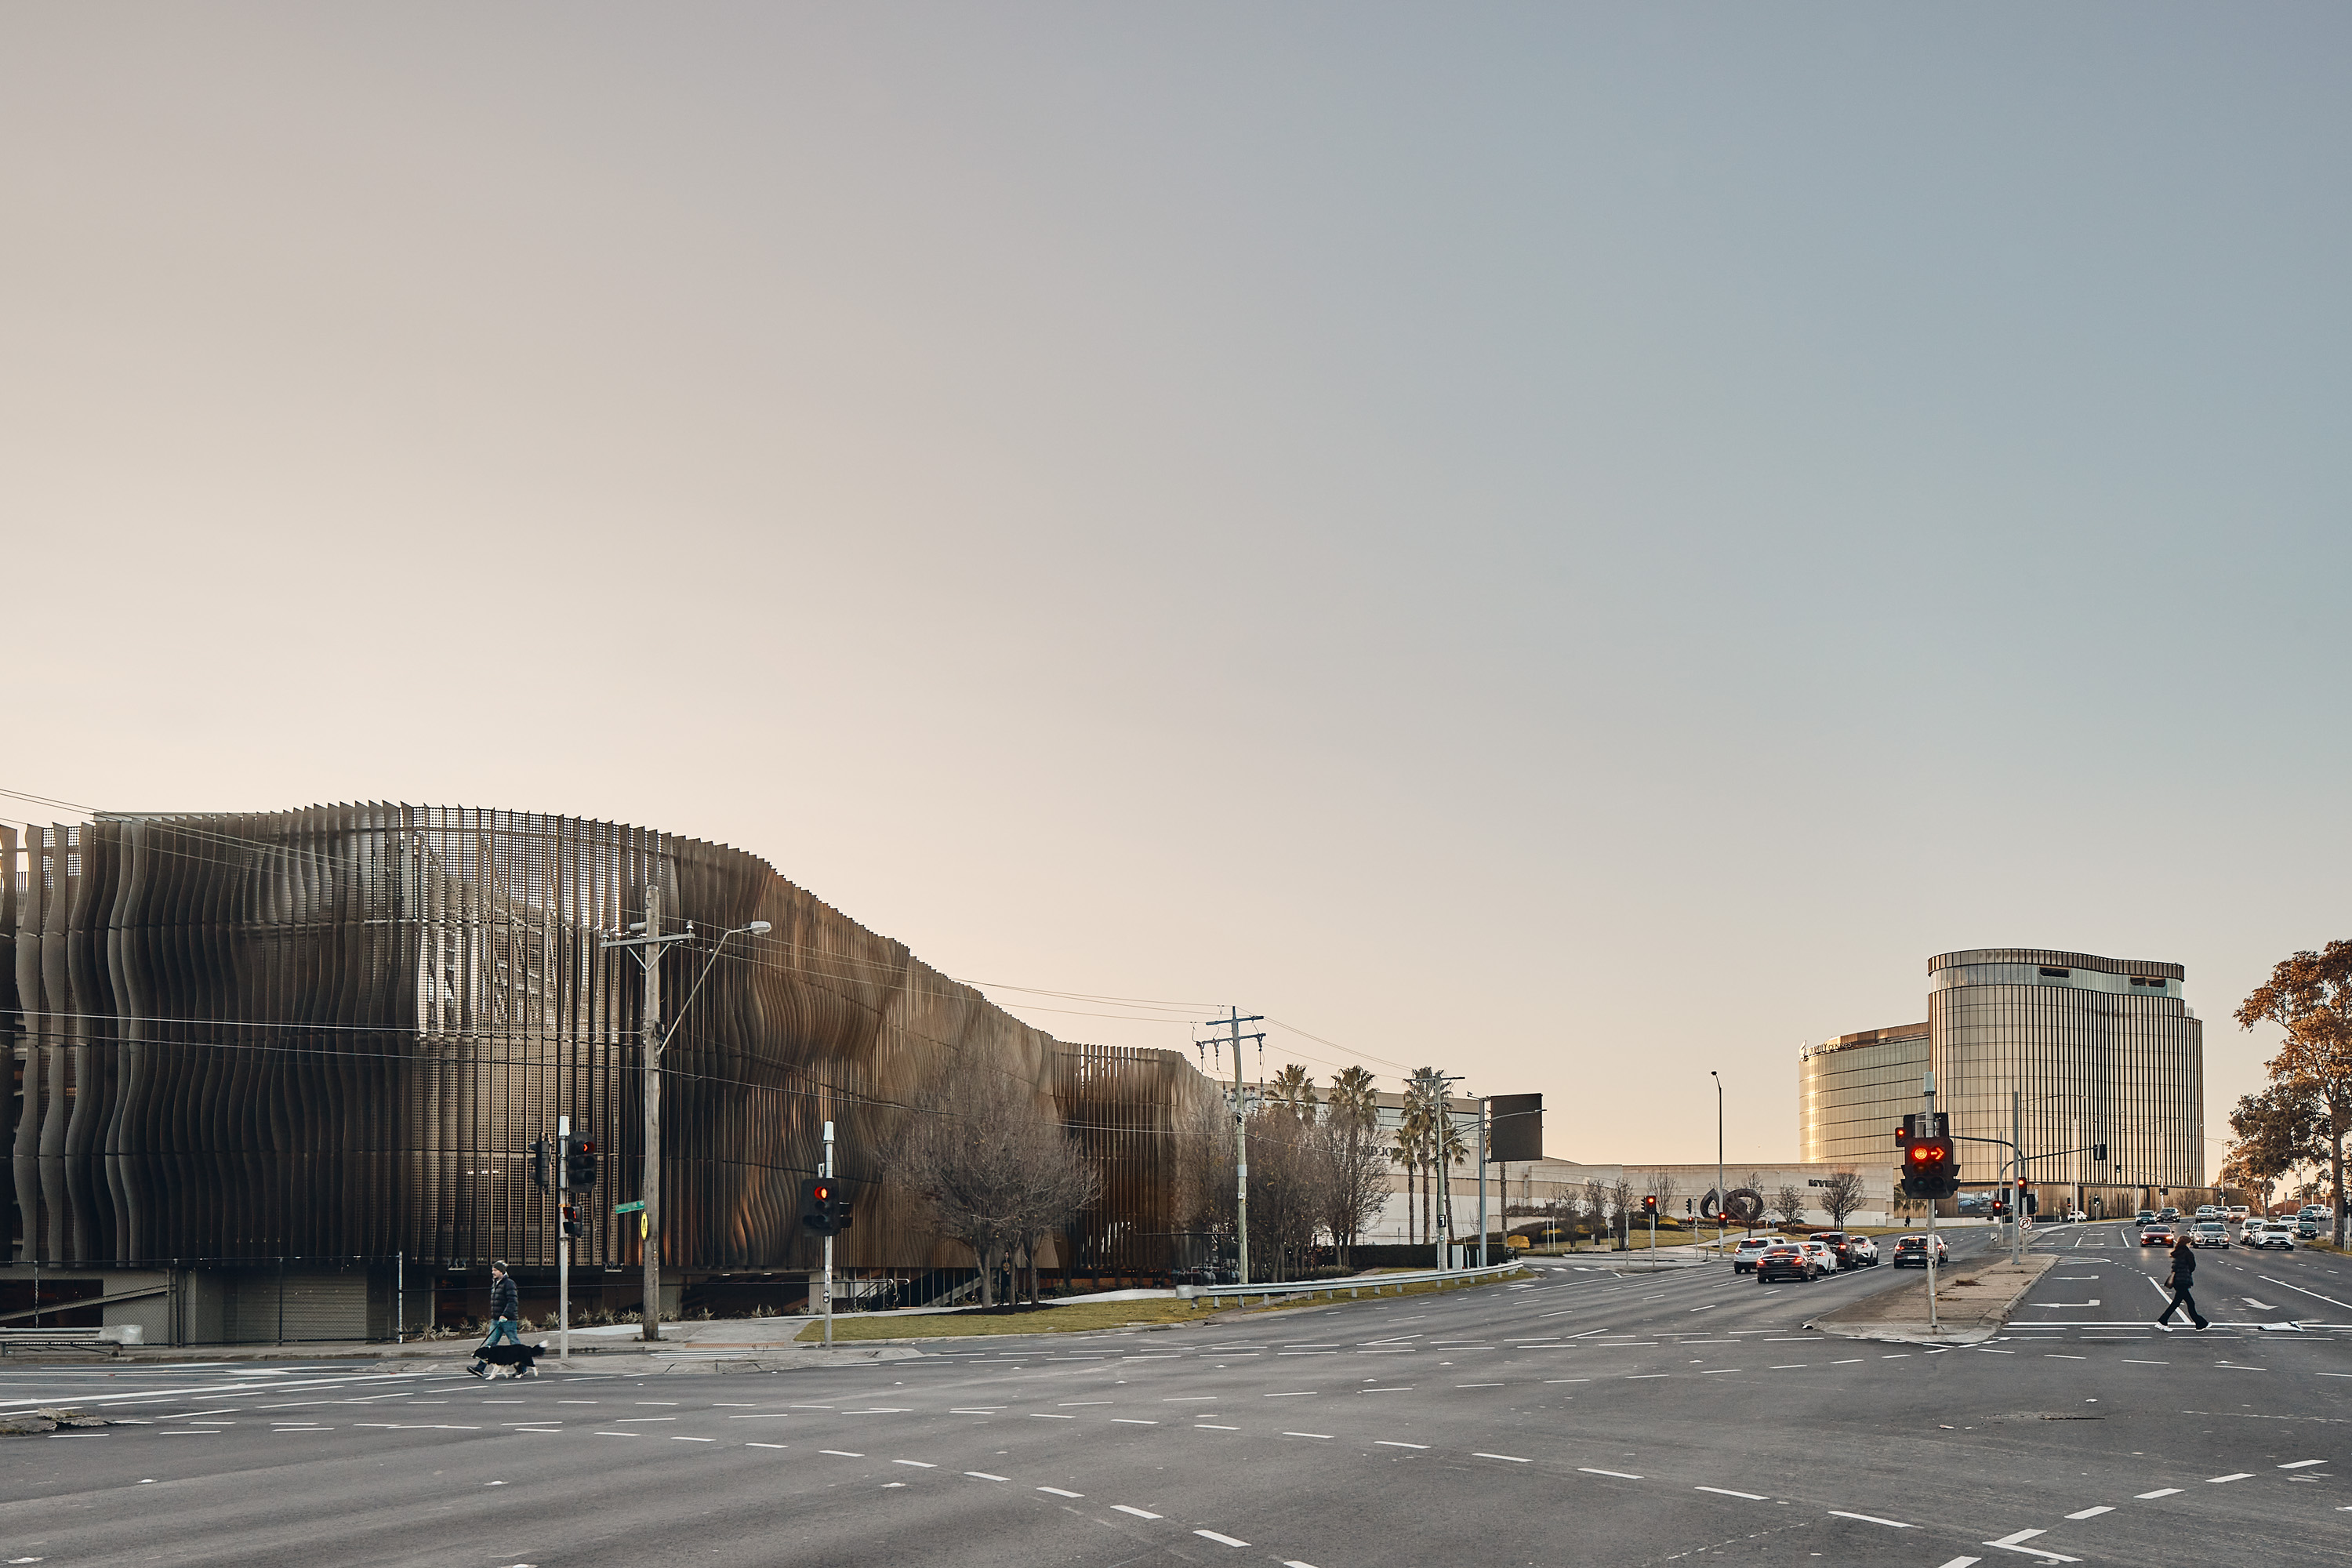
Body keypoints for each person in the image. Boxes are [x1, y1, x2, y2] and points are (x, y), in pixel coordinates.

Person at [470, 1261, 523, 1377]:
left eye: (495, 1270)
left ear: (501, 1271)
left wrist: (505, 1315)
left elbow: (513, 1301)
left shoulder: (509, 1283)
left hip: (508, 1320)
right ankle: (480, 1368)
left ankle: (522, 1368)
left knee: (514, 1344)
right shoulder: (495, 1283)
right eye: (492, 1270)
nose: (492, 1272)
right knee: (490, 1343)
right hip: (496, 1320)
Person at [2156, 1235, 2207, 1330]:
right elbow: (2192, 1267)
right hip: (2183, 1281)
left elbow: (2175, 1267)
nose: (2190, 1245)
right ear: (2186, 1243)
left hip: (2177, 1280)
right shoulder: (2188, 1253)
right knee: (2182, 1303)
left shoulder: (2178, 1253)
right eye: (2190, 1243)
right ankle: (2162, 1321)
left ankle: (2200, 1324)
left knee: (2185, 1303)